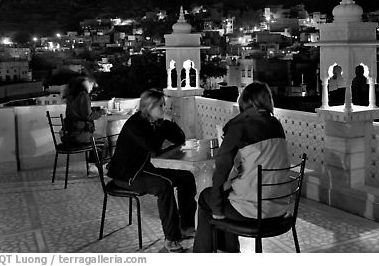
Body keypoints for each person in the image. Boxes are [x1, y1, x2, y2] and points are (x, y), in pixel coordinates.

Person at [193, 82, 291, 253]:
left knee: (206, 197)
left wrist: (216, 208)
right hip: (279, 208)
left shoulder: (240, 128)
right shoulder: (277, 125)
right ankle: (229, 251)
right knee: (227, 195)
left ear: (244, 102)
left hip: (252, 212)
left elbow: (222, 170)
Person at [106, 89, 197, 253]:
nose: (164, 108)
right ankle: (172, 239)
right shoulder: (135, 124)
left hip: (144, 168)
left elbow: (180, 138)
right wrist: (163, 125)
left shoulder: (156, 122)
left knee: (187, 178)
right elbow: (152, 145)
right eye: (160, 106)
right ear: (149, 107)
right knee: (164, 186)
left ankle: (186, 226)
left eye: (164, 105)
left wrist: (170, 122)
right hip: (127, 174)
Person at [63, 76, 108, 168]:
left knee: (95, 139)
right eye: (91, 84)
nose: (92, 87)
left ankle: (92, 165)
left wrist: (94, 110)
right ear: (86, 84)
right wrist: (102, 112)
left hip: (69, 135)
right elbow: (89, 116)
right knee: (104, 141)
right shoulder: (83, 95)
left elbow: (78, 113)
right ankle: (97, 167)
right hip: (78, 136)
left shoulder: (71, 96)